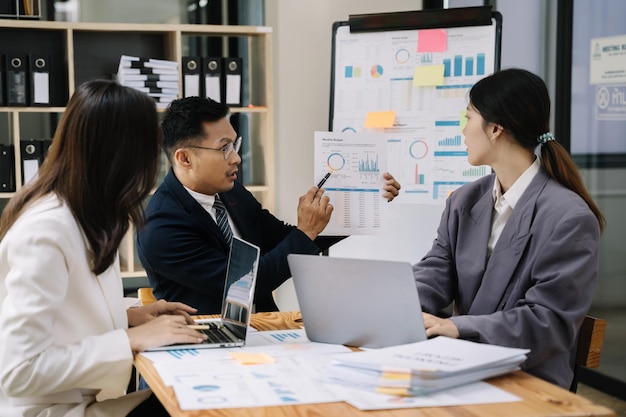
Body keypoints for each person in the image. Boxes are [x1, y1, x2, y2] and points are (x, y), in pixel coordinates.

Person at [0, 80, 209, 417]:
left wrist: (128, 319)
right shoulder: (46, 232)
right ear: (123, 155)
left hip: (79, 401)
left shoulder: (85, 215)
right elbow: (18, 372)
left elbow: (66, 314)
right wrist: (128, 340)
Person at [413, 68, 605, 390]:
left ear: (496, 129)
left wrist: (457, 327)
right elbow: (437, 270)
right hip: (463, 365)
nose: (463, 130)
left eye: (469, 117)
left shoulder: (569, 218)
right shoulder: (464, 200)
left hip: (526, 380)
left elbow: (548, 322)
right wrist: (395, 303)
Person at [136, 96, 401, 315]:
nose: (237, 158)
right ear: (184, 158)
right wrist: (305, 231)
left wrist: (367, 201)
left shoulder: (230, 192)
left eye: (235, 145)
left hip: (261, 328)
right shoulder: (161, 226)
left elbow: (283, 239)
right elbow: (245, 283)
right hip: (205, 340)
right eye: (225, 148)